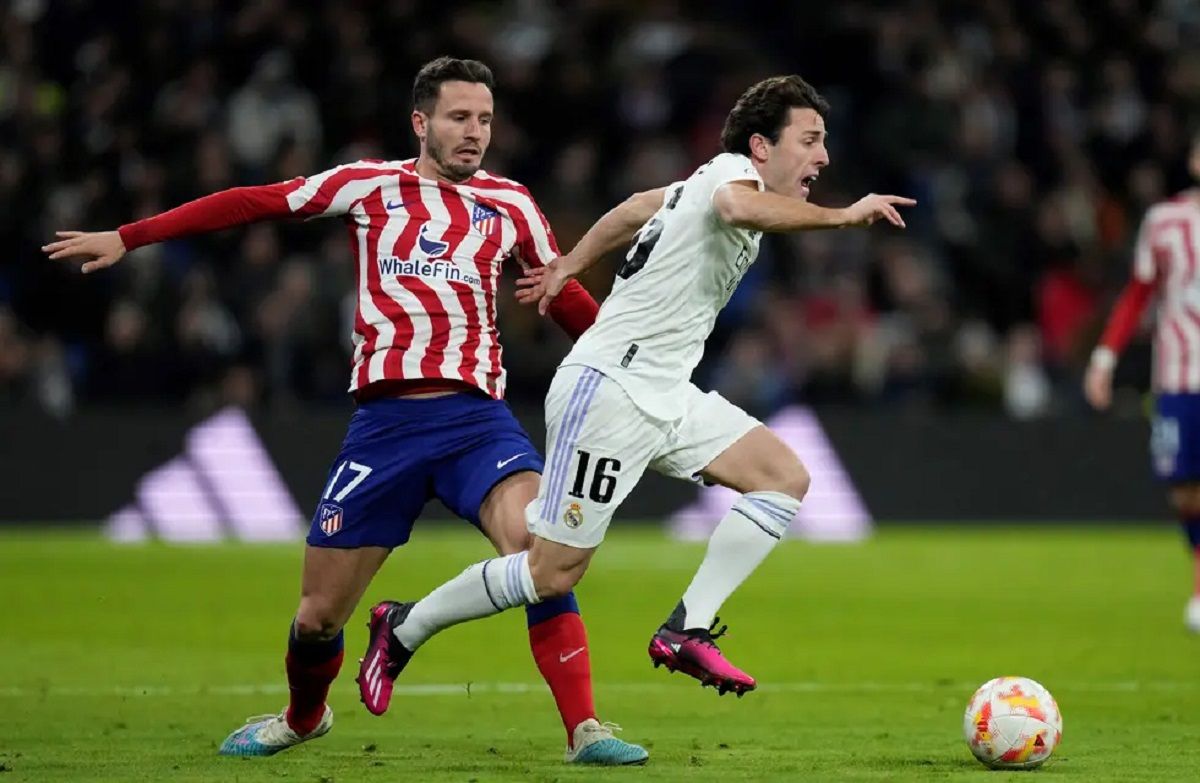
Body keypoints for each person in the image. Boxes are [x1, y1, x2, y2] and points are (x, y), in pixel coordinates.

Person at [42, 56, 647, 766]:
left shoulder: (510, 204)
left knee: (538, 553)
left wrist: (637, 368)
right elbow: (253, 202)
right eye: (459, 117)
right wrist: (131, 236)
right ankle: (303, 716)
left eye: (485, 119)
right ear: (421, 122)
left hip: (476, 423)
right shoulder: (368, 185)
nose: (475, 132)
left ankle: (584, 728)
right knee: (317, 616)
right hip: (385, 430)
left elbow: (562, 295)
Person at [353, 75, 914, 712]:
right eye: (809, 140)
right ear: (761, 147)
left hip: (665, 390)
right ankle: (404, 626)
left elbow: (634, 208)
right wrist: (843, 216)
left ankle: (686, 628)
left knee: (782, 477)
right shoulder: (731, 177)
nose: (823, 157)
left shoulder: (700, 184)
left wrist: (568, 264)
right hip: (611, 391)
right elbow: (736, 209)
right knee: (550, 572)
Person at [1084, 131, 1200, 633]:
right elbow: (1138, 294)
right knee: (1184, 492)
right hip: (1178, 375)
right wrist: (1104, 359)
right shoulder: (1165, 221)